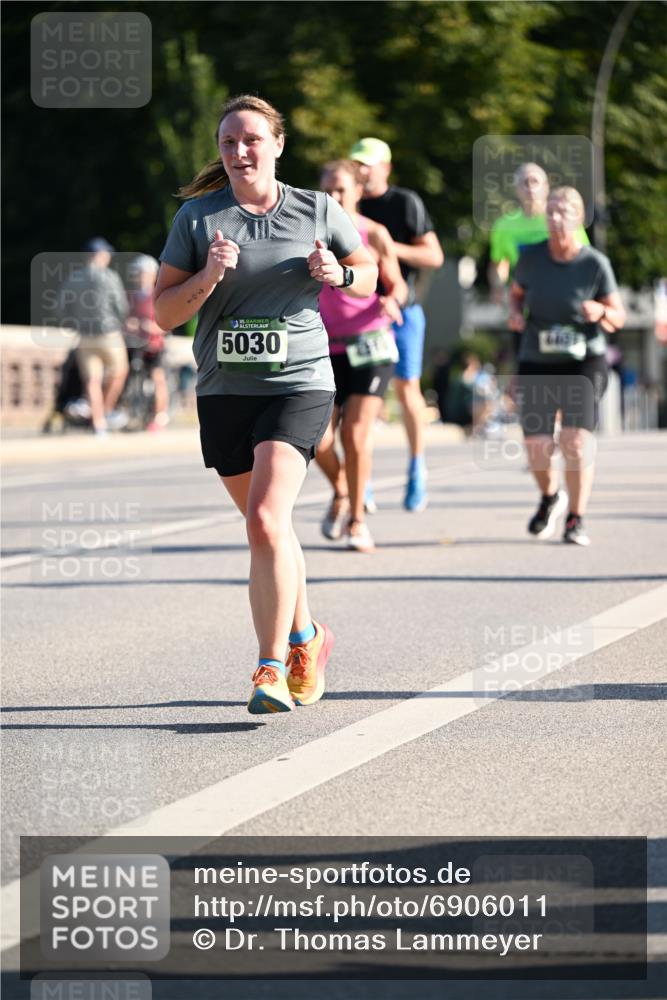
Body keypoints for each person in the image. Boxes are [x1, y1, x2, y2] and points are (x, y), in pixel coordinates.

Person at [154, 95, 378, 714]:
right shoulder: (198, 220)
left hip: (300, 382)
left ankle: (270, 667)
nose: (239, 152)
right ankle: (309, 636)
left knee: (263, 520)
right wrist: (208, 278)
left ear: (278, 145)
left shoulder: (317, 209)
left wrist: (338, 273)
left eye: (251, 140)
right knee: (269, 530)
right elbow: (165, 312)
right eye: (228, 143)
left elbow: (370, 273)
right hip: (224, 390)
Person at [508, 187, 625, 546]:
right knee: (537, 446)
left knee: (575, 441)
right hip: (537, 358)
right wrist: (515, 312)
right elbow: (516, 292)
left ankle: (576, 518)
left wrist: (601, 311)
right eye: (551, 211)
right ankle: (549, 497)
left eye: (563, 212)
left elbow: (619, 315)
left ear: (578, 218)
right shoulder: (530, 258)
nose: (555, 218)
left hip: (583, 361)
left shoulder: (594, 263)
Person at [316, 160, 408, 552]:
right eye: (329, 191)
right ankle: (341, 488)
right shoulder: (308, 232)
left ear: (357, 192)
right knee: (317, 440)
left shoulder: (375, 233)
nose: (335, 197)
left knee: (355, 434)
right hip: (323, 348)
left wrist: (391, 301)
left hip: (370, 344)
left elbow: (397, 284)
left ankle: (356, 519)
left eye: (342, 190)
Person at [350, 138, 444, 512]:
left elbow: (433, 255)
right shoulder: (346, 203)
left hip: (403, 310)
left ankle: (417, 466)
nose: (361, 170)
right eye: (356, 163)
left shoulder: (404, 203)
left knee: (407, 391)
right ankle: (364, 481)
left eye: (368, 164)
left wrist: (386, 246)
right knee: (363, 401)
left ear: (385, 168)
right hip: (358, 313)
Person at [489, 162, 589, 303]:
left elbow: (584, 259)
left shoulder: (564, 220)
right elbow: (499, 263)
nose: (530, 188)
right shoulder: (503, 225)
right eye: (525, 182)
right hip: (525, 301)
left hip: (565, 298)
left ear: (546, 187)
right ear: (516, 189)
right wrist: (498, 288)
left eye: (535, 181)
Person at [58, 237, 130, 435]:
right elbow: (121, 308)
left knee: (92, 380)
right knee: (119, 372)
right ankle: (106, 412)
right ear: (99, 255)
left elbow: (61, 308)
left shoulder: (75, 278)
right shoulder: (109, 277)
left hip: (84, 336)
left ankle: (98, 423)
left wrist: (74, 322)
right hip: (109, 335)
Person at [125, 255, 171, 432]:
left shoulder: (157, 294)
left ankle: (160, 415)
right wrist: (130, 325)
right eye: (138, 274)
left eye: (144, 274)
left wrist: (153, 328)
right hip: (136, 344)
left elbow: (168, 323)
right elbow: (126, 318)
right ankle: (129, 412)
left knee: (157, 377)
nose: (141, 277)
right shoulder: (133, 297)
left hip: (155, 345)